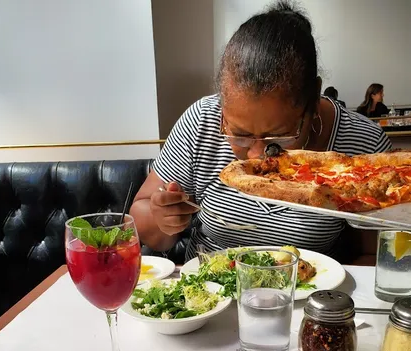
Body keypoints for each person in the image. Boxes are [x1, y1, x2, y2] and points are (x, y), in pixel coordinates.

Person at [131, 1, 392, 261]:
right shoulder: (202, 121)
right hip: (210, 293)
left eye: (279, 137)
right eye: (240, 135)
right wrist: (162, 218)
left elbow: (378, 257)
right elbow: (146, 226)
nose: (256, 155)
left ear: (313, 100)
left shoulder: (363, 146)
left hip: (309, 295)